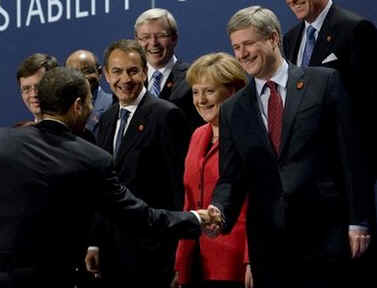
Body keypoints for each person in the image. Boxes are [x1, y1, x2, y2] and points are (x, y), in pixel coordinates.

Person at [206, 6, 373, 288]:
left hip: (326, 235)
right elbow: (231, 178)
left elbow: (352, 156)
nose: (242, 54)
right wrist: (218, 212)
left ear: (273, 38)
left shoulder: (323, 83)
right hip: (269, 244)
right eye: (236, 47)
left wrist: (359, 221)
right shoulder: (233, 109)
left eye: (248, 44)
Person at [0, 66, 209, 288]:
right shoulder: (92, 159)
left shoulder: (4, 142)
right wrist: (194, 219)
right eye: (90, 102)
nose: (91, 109)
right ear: (78, 105)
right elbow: (140, 218)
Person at [283, 1, 377, 285]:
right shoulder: (290, 38)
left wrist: (359, 217)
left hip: (341, 194)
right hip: (303, 196)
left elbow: (365, 127)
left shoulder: (355, 30)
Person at [85, 39, 190, 287]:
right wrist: (95, 242)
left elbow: (177, 189)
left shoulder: (166, 115)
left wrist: (178, 255)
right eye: (117, 72)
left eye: (133, 71)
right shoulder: (108, 117)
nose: (125, 79)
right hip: (113, 253)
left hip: (154, 253)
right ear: (106, 76)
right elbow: (102, 189)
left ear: (144, 72)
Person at [172, 52, 252, 288]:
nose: (201, 100)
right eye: (196, 92)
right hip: (197, 259)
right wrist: (180, 262)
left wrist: (252, 259)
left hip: (234, 259)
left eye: (209, 91)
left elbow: (258, 204)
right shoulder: (198, 135)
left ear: (233, 91)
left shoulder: (249, 134)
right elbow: (189, 202)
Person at [134, 8, 204, 133]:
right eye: (145, 37)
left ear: (174, 38)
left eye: (161, 36)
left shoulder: (193, 77)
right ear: (137, 41)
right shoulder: (130, 82)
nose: (153, 43)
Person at [65, 49, 113, 137]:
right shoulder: (63, 109)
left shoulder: (113, 104)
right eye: (74, 72)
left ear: (99, 72)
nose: (81, 77)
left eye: (86, 71)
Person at [14, 53, 58, 127]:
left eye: (39, 87)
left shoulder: (77, 134)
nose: (33, 94)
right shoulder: (19, 134)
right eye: (26, 89)